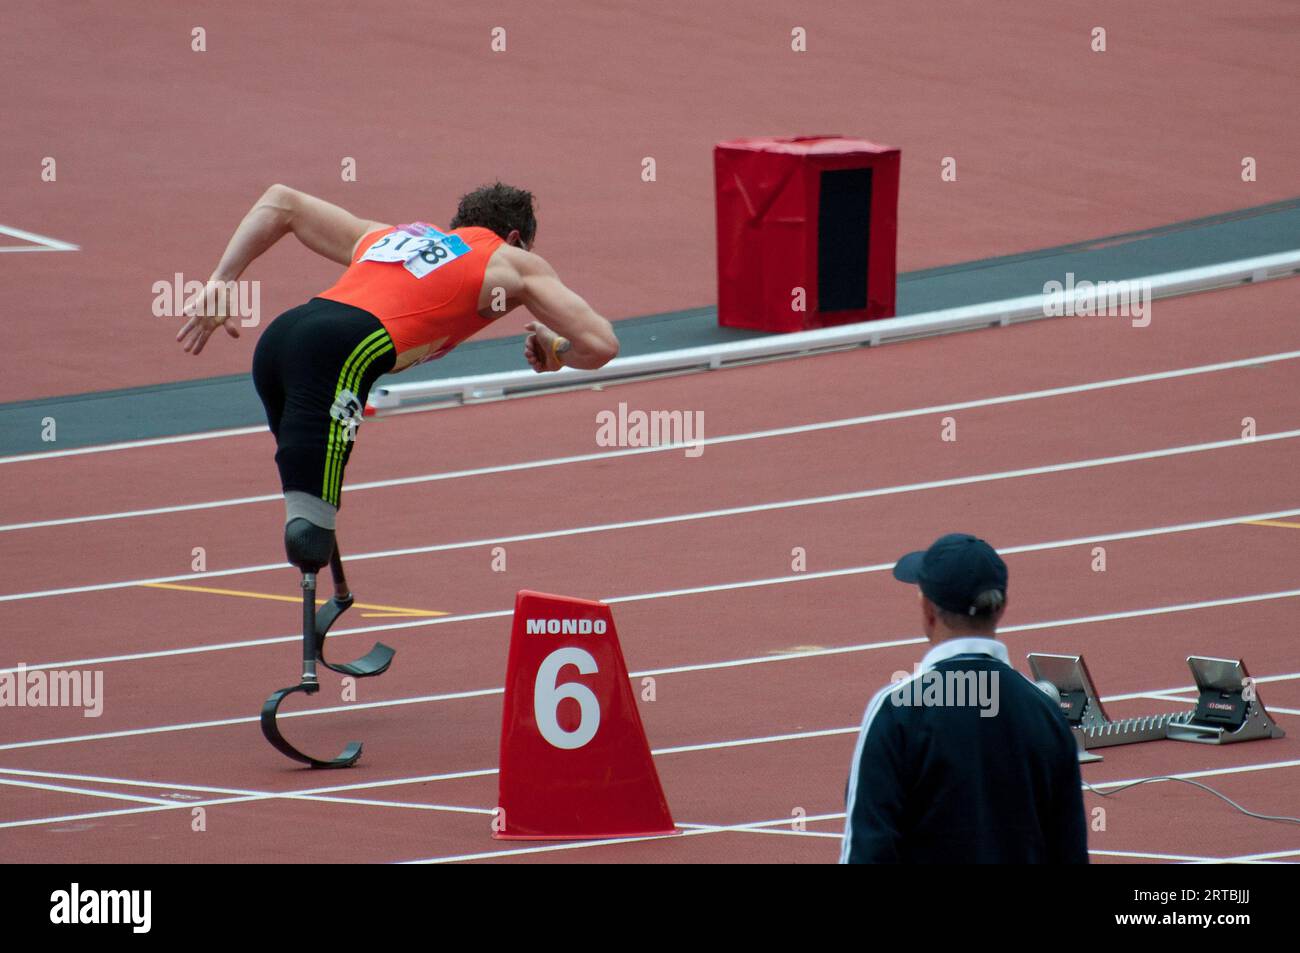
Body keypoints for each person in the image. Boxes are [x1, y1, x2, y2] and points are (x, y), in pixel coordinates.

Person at [176, 182, 619, 593]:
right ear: (517, 237)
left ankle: (334, 601)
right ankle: (309, 673)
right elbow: (601, 345)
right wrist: (557, 350)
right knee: (310, 536)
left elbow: (281, 201)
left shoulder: (392, 237)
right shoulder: (511, 259)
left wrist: (221, 279)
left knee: (311, 509)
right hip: (341, 351)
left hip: (281, 341)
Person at [840, 533, 1088, 864]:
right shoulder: (1045, 712)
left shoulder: (896, 711)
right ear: (1000, 608)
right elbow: (1068, 851)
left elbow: (866, 850)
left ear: (928, 610)